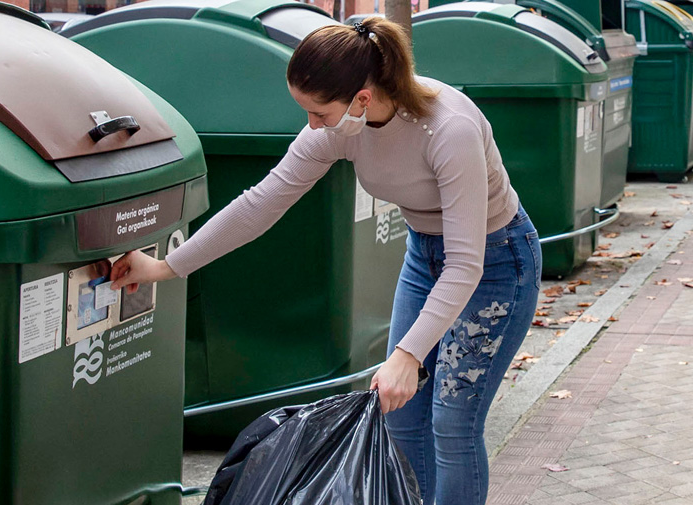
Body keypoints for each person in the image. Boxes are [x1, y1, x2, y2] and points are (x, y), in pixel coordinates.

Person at [109, 17, 541, 505]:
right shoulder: (343, 127)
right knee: (401, 415)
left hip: (497, 260)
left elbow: (466, 264)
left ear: (361, 97)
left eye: (318, 112)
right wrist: (168, 267)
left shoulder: (449, 128)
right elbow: (261, 202)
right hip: (425, 253)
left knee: (453, 420)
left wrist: (407, 354)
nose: (311, 125)